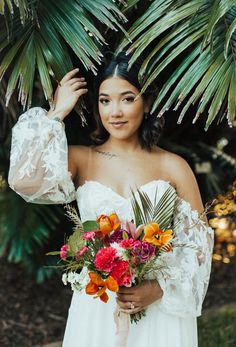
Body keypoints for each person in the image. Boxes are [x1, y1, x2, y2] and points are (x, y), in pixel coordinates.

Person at [8, 52, 214, 347]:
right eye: (105, 100)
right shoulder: (82, 159)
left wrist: (159, 288)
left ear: (148, 102)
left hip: (158, 309)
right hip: (98, 304)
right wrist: (56, 114)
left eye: (127, 98)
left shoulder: (173, 166)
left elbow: (200, 244)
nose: (114, 112)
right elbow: (23, 181)